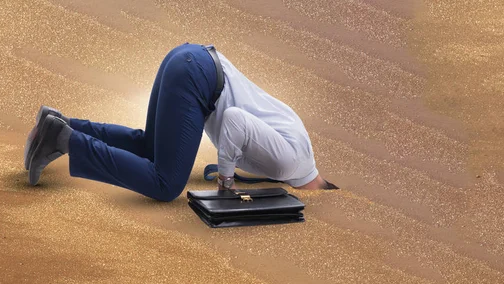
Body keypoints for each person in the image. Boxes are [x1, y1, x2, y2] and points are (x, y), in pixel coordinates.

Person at [24, 43, 337, 201]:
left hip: (191, 60)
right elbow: (235, 120)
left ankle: (60, 123)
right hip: (197, 78)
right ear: (316, 191)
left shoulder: (298, 154)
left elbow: (250, 138)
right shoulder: (289, 166)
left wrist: (233, 172)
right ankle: (63, 139)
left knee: (151, 149)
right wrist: (225, 183)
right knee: (166, 185)